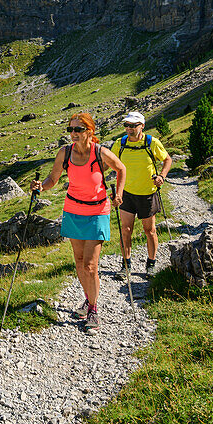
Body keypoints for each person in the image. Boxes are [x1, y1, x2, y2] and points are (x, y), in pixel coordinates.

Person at [31, 112, 126, 330]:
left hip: (98, 211)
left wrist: (118, 193)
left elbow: (121, 168)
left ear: (89, 132)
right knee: (79, 261)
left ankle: (93, 310)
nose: (73, 134)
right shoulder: (65, 153)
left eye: (77, 130)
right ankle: (87, 299)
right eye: (70, 130)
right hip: (73, 210)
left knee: (91, 265)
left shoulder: (100, 153)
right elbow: (53, 179)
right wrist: (41, 187)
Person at [113, 111, 173, 279]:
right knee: (126, 230)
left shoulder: (151, 143)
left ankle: (151, 264)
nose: (129, 129)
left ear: (142, 126)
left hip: (147, 193)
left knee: (150, 230)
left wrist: (162, 176)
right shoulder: (120, 143)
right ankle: (126, 265)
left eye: (133, 126)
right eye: (127, 125)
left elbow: (167, 159)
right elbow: (109, 162)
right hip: (126, 193)